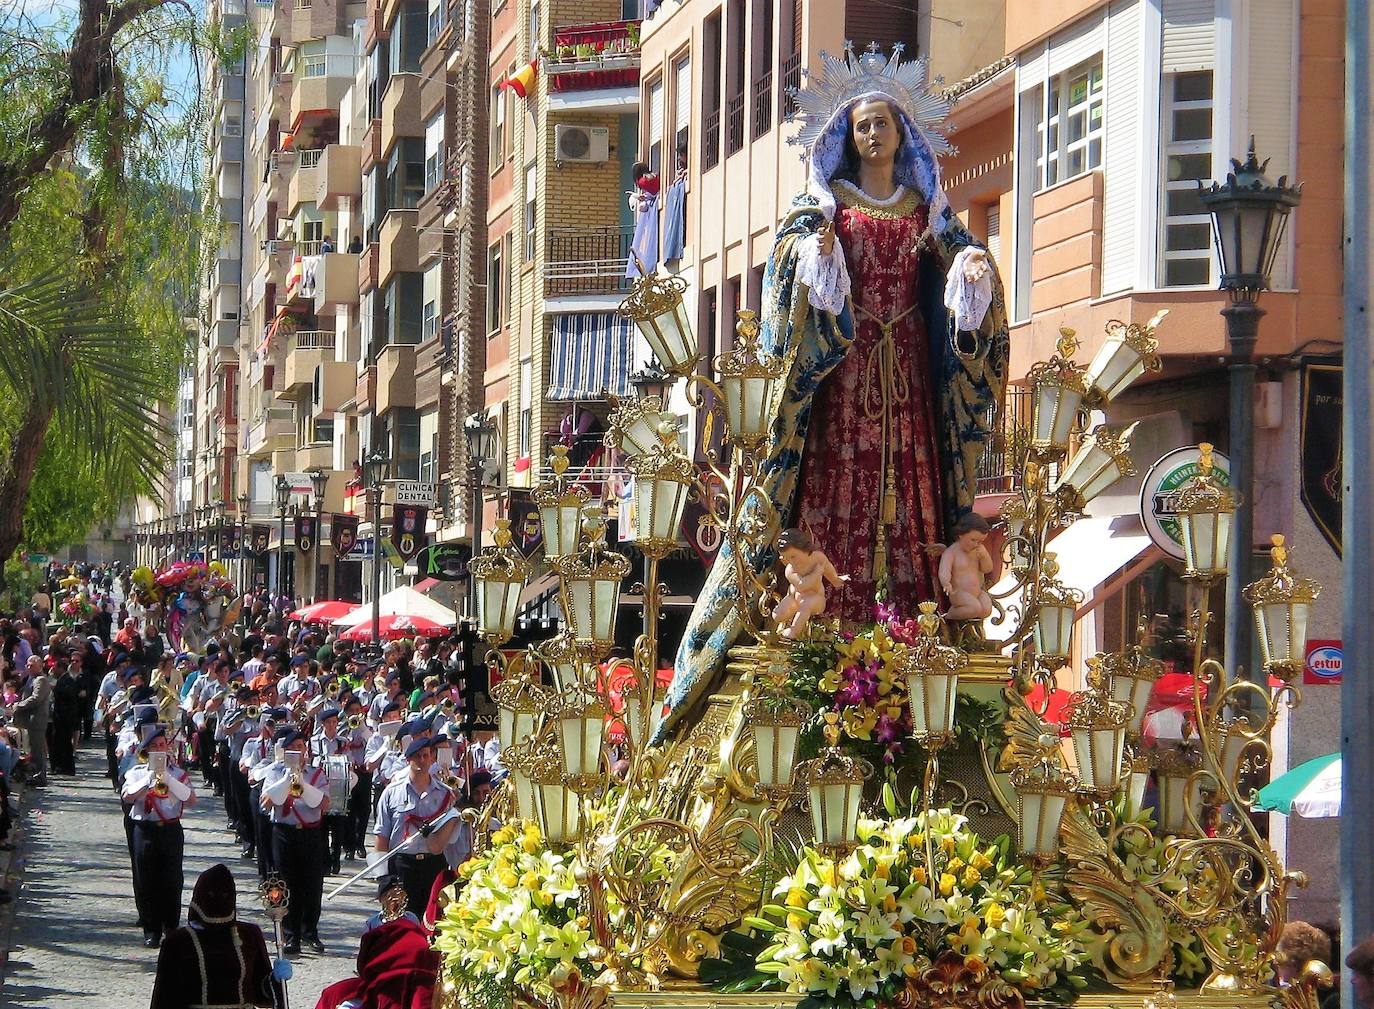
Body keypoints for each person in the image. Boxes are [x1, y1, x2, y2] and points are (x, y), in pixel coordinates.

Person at [668, 48, 1007, 734]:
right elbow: (788, 267)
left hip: (908, 371)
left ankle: (915, 632)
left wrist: (974, 267)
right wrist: (811, 258)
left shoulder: (926, 211)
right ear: (845, 141)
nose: (873, 135)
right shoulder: (823, 209)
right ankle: (832, 631)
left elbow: (966, 265)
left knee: (910, 489)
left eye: (883, 123)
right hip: (845, 375)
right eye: (862, 127)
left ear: (903, 136)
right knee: (837, 482)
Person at [149, 863, 290, 1009]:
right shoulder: (179, 942)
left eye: (225, 895)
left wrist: (275, 980)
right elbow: (164, 999)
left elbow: (261, 994)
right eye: (211, 895)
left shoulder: (249, 935)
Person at [122, 724, 197, 947]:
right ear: (146, 750)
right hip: (145, 830)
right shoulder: (136, 772)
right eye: (153, 746)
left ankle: (170, 925)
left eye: (162, 745)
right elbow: (127, 796)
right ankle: (151, 928)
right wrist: (149, 780)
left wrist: (167, 777)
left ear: (168, 748)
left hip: (170, 829)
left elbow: (190, 800)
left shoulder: (178, 774)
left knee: (172, 879)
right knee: (146, 879)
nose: (158, 749)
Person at [373, 735, 459, 920]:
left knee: (434, 922)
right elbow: (381, 838)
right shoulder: (391, 793)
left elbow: (450, 836)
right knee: (402, 924)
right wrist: (382, 878)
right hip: (402, 866)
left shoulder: (445, 793)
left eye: (426, 755)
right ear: (408, 760)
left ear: (432, 758)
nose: (422, 760)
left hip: (433, 865)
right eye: (417, 756)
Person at [261, 726, 329, 954]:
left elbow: (323, 804)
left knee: (312, 884)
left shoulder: (317, 774)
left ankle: (310, 931)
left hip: (310, 833)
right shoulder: (274, 772)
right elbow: (267, 802)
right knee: (284, 883)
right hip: (284, 833)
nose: (297, 752)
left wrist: (301, 780)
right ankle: (290, 934)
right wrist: (287, 779)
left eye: (300, 747)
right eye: (292, 749)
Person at [771, 528, 847, 639]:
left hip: (815, 598)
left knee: (806, 605)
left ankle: (794, 631)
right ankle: (788, 618)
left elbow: (828, 568)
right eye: (785, 558)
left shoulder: (818, 558)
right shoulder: (790, 570)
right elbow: (802, 585)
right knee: (777, 616)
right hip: (795, 597)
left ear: (806, 550)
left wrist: (835, 579)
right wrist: (817, 573)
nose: (791, 561)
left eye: (793, 556)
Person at [938, 512, 995, 620]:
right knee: (975, 608)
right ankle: (949, 615)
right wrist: (946, 583)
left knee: (986, 609)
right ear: (961, 534)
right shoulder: (952, 552)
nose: (976, 544)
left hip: (977, 592)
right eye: (973, 540)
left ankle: (968, 622)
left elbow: (987, 569)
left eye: (980, 541)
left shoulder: (978, 551)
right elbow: (944, 570)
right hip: (959, 593)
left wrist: (984, 557)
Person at [13, 654, 52, 785]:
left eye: (32, 665)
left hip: (37, 719)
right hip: (29, 720)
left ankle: (40, 776)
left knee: (37, 749)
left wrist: (19, 706)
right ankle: (33, 773)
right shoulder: (29, 678)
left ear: (40, 666)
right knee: (31, 748)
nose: (28, 667)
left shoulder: (41, 680)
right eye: (27, 665)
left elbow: (36, 698)